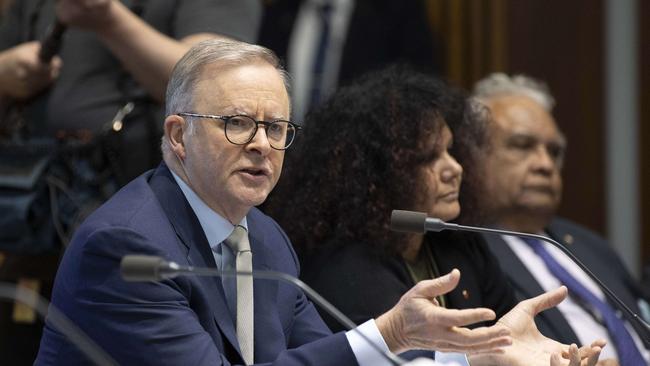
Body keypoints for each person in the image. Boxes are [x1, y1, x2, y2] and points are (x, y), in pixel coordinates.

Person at [34, 38, 537, 366]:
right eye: (236, 123)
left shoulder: (266, 239)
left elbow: (329, 359)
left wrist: (475, 359)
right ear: (179, 135)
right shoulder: (126, 247)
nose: (260, 144)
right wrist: (389, 332)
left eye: (276, 128)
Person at [265, 64, 604, 365]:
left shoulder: (458, 244)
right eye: (429, 157)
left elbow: (512, 341)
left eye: (451, 151)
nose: (454, 168)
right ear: (379, 172)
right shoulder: (346, 268)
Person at [461, 73, 650, 364]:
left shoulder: (588, 243)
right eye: (522, 145)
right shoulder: (464, 252)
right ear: (471, 157)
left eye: (554, 151)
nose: (545, 164)